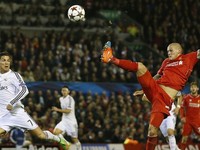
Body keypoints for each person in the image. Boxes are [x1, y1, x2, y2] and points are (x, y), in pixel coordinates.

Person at [101, 41, 200, 150]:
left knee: (152, 131)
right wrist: (145, 89)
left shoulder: (189, 58)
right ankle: (111, 58)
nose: (169, 53)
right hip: (155, 88)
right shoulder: (166, 62)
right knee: (140, 66)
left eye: (171, 50)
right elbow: (157, 76)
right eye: (167, 51)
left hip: (163, 100)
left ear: (179, 51)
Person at [0, 51, 70, 150]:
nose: (6, 63)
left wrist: (12, 102)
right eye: (3, 60)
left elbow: (25, 90)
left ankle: (59, 139)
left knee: (40, 135)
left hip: (17, 113)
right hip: (3, 116)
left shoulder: (14, 75)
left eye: (8, 60)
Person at [52, 86, 82, 150]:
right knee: (55, 132)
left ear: (68, 92)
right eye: (63, 90)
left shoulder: (70, 99)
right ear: (61, 91)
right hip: (64, 121)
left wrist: (57, 110)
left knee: (74, 139)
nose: (64, 92)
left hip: (71, 122)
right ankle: (66, 144)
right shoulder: (61, 99)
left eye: (65, 90)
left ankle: (79, 148)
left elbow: (68, 111)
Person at [179, 82, 200, 150]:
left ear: (197, 88)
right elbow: (182, 107)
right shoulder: (186, 98)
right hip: (188, 121)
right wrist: (182, 117)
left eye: (194, 87)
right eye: (192, 87)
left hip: (197, 121)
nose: (193, 88)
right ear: (190, 89)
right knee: (184, 138)